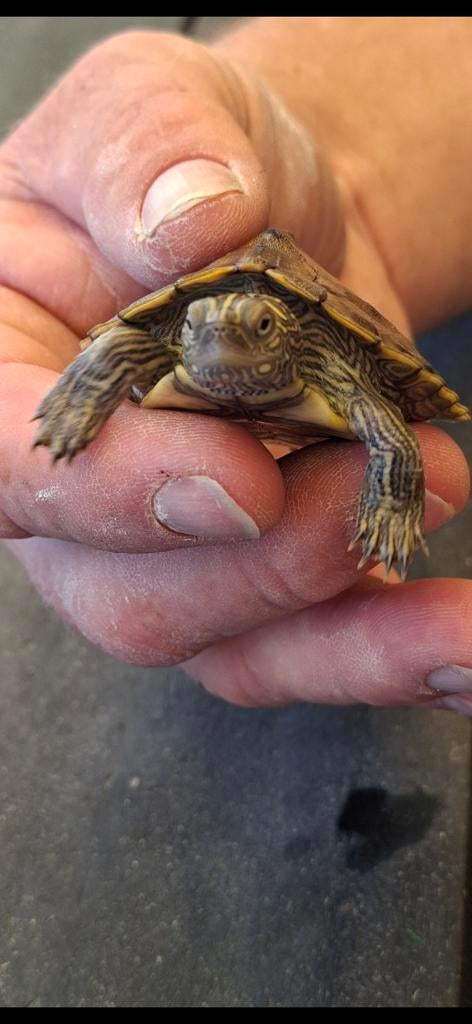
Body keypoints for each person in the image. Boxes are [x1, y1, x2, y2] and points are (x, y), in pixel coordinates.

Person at [0, 16, 471, 714]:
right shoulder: (171, 335)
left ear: (280, 330)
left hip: (324, 370)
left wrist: (392, 500)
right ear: (187, 332)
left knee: (401, 456)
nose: (222, 328)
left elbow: (388, 431)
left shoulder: (328, 358)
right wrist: (78, 401)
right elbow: (116, 342)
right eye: (201, 324)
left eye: (255, 324)